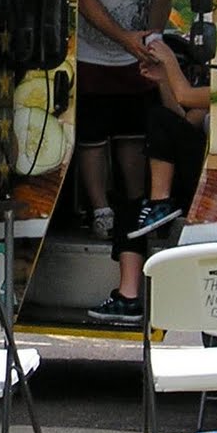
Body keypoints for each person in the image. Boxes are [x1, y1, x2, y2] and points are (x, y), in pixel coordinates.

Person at [73, 0, 172, 242]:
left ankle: (134, 206)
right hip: (89, 55)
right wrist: (123, 38)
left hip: (136, 57)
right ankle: (100, 209)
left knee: (133, 135)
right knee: (92, 138)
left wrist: (152, 39)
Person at [89, 37, 208, 325]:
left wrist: (168, 59)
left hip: (210, 182)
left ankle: (160, 203)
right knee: (131, 205)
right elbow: (181, 119)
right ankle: (128, 298)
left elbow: (185, 97)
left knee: (157, 117)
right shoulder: (206, 95)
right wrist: (163, 80)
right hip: (190, 173)